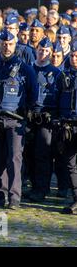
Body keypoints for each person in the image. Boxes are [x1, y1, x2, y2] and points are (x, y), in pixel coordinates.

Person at [0, 29, 38, 210]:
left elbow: (33, 95)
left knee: (15, 159)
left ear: (15, 46)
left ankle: (14, 197)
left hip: (16, 120)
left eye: (10, 44)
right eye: (4, 44)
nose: (7, 47)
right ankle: (2, 194)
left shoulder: (25, 69)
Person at [25, 38, 62, 202]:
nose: (43, 53)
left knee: (43, 155)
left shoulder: (56, 73)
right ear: (36, 49)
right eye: (41, 49)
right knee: (28, 153)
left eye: (47, 51)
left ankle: (42, 188)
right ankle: (33, 186)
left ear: (51, 53)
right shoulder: (28, 69)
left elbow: (60, 97)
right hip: (29, 116)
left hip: (46, 118)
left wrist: (54, 116)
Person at [55, 47, 77, 214]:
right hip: (68, 124)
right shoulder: (63, 75)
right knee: (70, 164)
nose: (74, 59)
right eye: (72, 55)